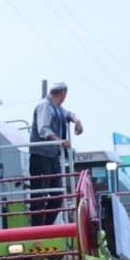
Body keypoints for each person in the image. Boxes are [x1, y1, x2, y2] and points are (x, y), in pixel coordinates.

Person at [28, 82, 82, 225]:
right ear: (63, 93)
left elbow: (68, 114)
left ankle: (46, 226)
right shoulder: (45, 106)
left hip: (51, 156)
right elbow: (43, 129)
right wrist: (60, 141)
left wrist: (76, 121)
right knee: (40, 195)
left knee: (57, 195)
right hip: (40, 155)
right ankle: (38, 228)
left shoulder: (56, 107)